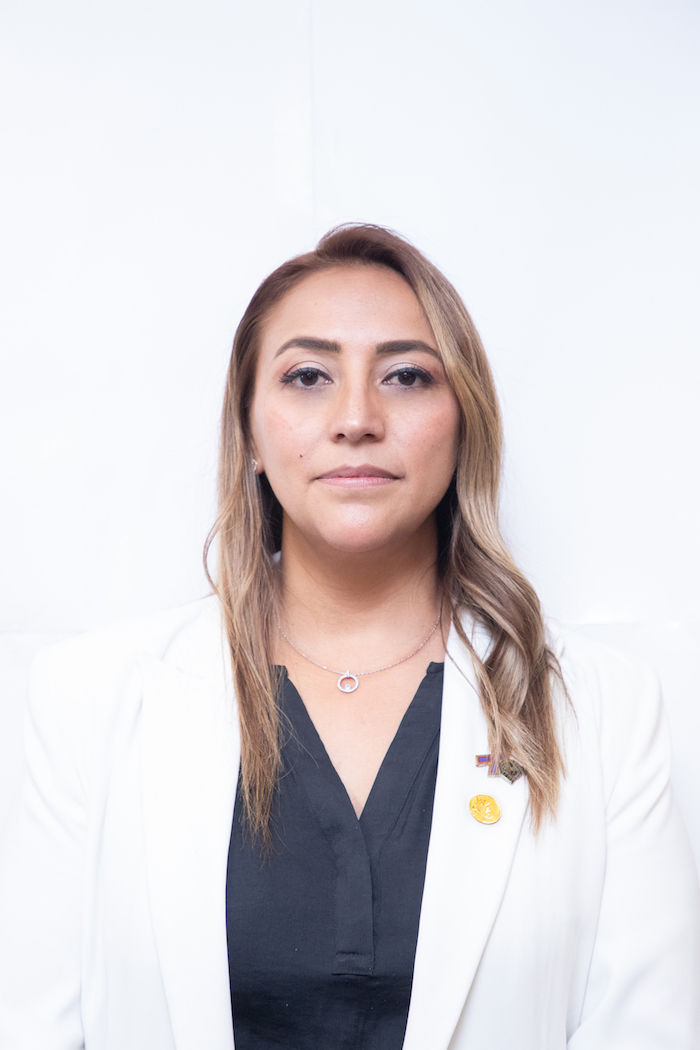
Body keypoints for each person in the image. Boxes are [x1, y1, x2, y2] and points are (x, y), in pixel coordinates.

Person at [0, 224, 698, 1049]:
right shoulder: (90, 699)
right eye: (308, 376)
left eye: (406, 375)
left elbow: (648, 1031)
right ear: (250, 433)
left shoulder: (602, 709)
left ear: (464, 421)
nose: (357, 418)